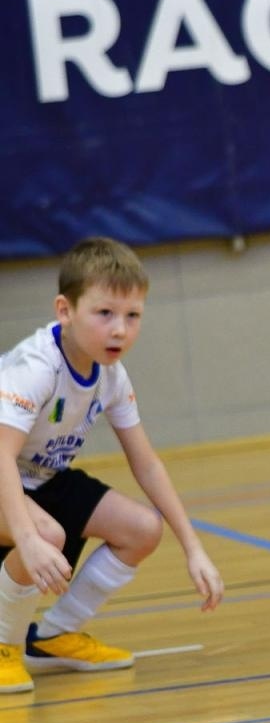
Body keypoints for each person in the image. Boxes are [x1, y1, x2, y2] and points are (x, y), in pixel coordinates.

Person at [0, 237, 225, 694]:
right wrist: (27, 537)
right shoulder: (36, 367)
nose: (120, 330)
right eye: (104, 314)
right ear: (65, 310)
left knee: (143, 528)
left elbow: (147, 464)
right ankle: (4, 645)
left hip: (40, 478)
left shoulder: (111, 376)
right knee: (46, 537)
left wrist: (193, 548)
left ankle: (53, 636)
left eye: (132, 316)